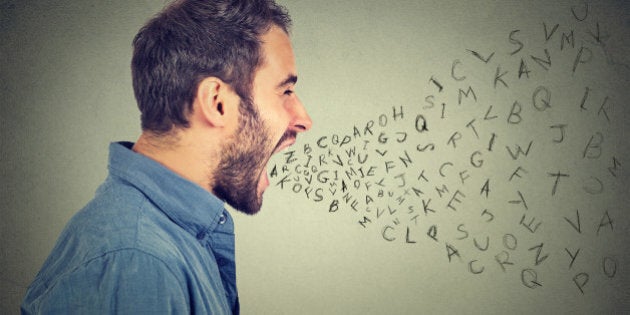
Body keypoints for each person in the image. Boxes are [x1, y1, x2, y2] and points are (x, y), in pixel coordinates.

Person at [21, 0, 312, 313]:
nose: (303, 119)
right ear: (217, 102)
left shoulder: (162, 243)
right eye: (285, 92)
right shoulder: (137, 264)